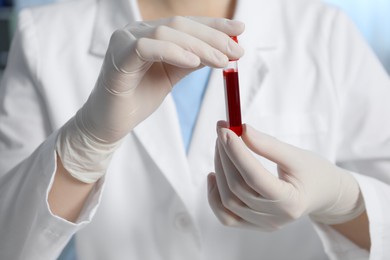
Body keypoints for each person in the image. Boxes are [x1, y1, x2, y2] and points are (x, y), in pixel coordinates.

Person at [0, 0, 389, 259]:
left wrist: (342, 201)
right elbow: (9, 242)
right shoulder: (44, 38)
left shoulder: (325, 33)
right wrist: (84, 147)